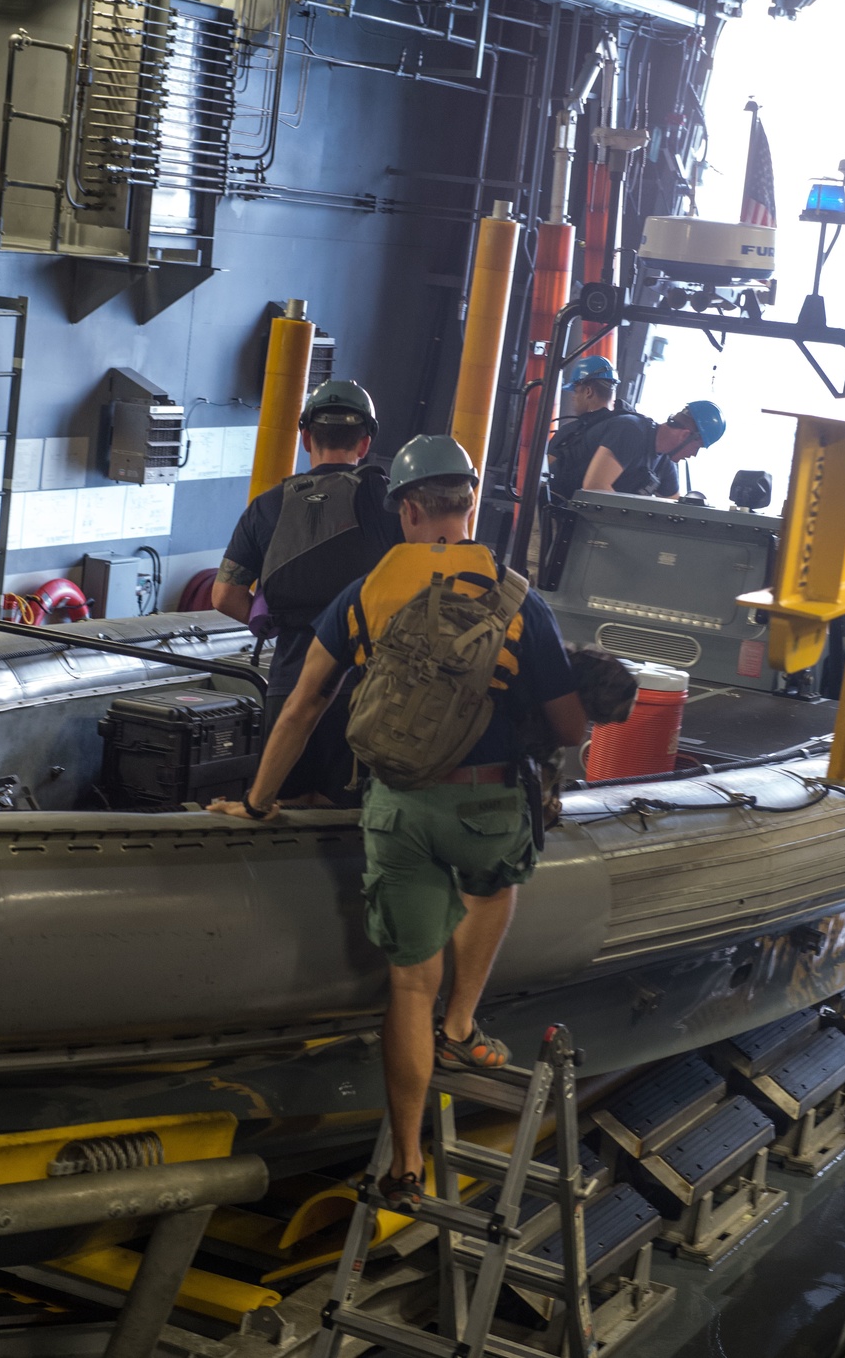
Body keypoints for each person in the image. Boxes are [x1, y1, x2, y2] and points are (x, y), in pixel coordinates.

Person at [210, 434, 585, 1211]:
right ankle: (464, 1022)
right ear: (468, 505)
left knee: (404, 987)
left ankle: (406, 1163)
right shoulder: (517, 596)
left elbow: (304, 702)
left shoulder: (369, 590)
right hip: (485, 802)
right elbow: (570, 726)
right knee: (494, 885)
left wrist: (255, 802)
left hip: (398, 805)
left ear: (409, 510)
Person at [211, 379, 402, 805]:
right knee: (352, 819)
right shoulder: (389, 502)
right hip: (368, 689)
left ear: (305, 437)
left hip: (291, 683)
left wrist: (278, 624)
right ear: (365, 443)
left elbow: (224, 595)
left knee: (280, 810)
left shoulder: (266, 506)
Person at [547, 354, 677, 501]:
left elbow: (542, 479)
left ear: (588, 391)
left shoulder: (569, 432)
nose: (573, 397)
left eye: (576, 391)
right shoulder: (633, 428)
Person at [580, 398, 726, 497]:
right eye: (698, 447)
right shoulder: (631, 431)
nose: (694, 455)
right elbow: (595, 487)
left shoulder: (665, 463)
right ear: (685, 436)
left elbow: (674, 509)